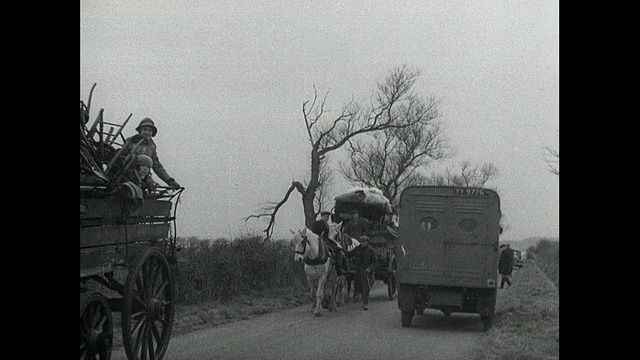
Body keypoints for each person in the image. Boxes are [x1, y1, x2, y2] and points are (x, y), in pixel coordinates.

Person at [124, 118, 181, 189]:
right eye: (145, 129)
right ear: (140, 131)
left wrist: (169, 180)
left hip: (143, 178)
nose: (147, 133)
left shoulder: (152, 147)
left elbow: (157, 166)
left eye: (150, 130)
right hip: (127, 177)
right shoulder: (131, 141)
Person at [311, 211, 350, 276]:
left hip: (326, 240)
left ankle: (341, 267)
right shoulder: (317, 223)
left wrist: (334, 243)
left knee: (339, 248)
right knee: (335, 250)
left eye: (327, 217)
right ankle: (339, 268)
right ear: (322, 217)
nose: (326, 218)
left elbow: (327, 236)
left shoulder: (327, 225)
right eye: (325, 216)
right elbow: (313, 232)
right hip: (319, 241)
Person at [347, 235, 378, 310]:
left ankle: (365, 303)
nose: (362, 243)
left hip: (366, 272)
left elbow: (375, 262)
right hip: (358, 270)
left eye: (364, 242)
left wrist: (370, 269)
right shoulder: (357, 249)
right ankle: (356, 297)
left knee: (366, 287)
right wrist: (342, 251)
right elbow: (349, 254)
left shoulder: (371, 250)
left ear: (367, 242)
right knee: (357, 284)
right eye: (361, 242)